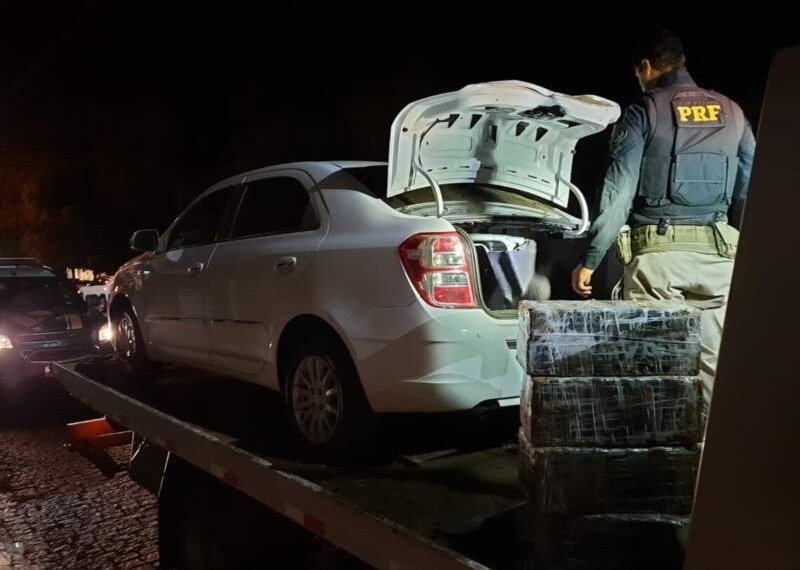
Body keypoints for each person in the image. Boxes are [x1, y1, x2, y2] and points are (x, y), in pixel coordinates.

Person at [571, 30, 756, 413]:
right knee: (716, 372)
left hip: (658, 261)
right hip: (720, 261)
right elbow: (749, 192)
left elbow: (618, 192)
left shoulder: (644, 109)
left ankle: (656, 464)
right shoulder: (733, 112)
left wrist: (591, 258)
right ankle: (713, 463)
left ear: (645, 67)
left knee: (653, 371)